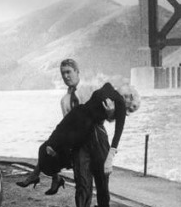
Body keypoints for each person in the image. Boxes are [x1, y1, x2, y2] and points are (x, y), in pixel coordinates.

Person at [38, 80, 140, 207]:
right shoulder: (110, 91)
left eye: (129, 103)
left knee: (100, 188)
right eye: (128, 95)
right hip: (82, 140)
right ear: (127, 92)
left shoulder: (114, 101)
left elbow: (116, 130)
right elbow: (115, 131)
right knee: (83, 187)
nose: (126, 100)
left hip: (97, 139)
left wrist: (109, 158)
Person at [16, 59, 114, 195]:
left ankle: (45, 176)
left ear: (77, 72)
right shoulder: (65, 100)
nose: (66, 77)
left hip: (96, 140)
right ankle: (54, 179)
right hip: (78, 143)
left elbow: (109, 116)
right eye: (63, 74)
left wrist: (109, 113)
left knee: (102, 185)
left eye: (68, 72)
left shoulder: (92, 90)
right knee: (81, 185)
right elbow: (67, 126)